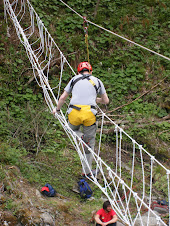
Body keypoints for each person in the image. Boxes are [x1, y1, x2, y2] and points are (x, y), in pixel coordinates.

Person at [53, 61, 109, 176]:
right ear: (91, 71)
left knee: (70, 129)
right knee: (89, 145)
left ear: (78, 72)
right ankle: (87, 172)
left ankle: (80, 137)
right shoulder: (97, 81)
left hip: (74, 113)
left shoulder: (74, 79)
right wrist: (96, 99)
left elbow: (63, 97)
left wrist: (57, 109)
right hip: (89, 114)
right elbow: (106, 101)